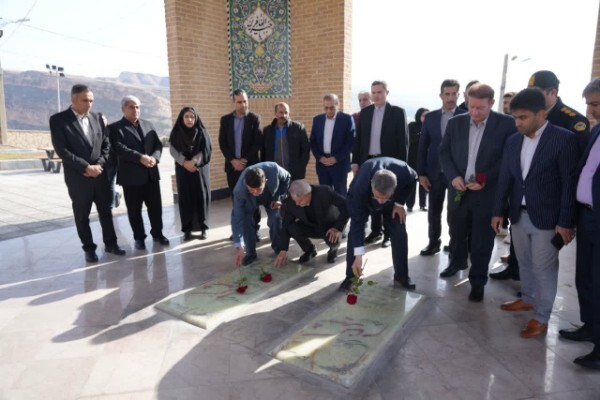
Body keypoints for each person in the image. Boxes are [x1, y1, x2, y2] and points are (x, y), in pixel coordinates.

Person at [491, 88, 578, 338]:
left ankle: (541, 318)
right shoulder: (513, 141)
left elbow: (569, 184)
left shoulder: (564, 139)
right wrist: (498, 211)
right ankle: (528, 299)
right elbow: (505, 179)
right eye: (515, 117)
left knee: (544, 269)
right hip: (518, 215)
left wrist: (565, 222)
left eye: (523, 117)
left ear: (541, 114)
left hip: (548, 219)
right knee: (525, 263)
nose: (517, 123)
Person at [439, 83, 516, 302]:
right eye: (471, 106)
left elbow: (508, 159)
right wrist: (453, 176)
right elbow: (444, 152)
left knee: (482, 240)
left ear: (491, 103)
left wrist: (485, 178)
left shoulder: (506, 125)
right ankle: (456, 263)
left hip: (487, 194)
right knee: (456, 233)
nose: (474, 112)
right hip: (458, 191)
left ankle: (477, 282)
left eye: (480, 108)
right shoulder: (455, 123)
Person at [49, 84, 126, 262]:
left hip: (100, 175)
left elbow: (106, 144)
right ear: (74, 99)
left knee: (106, 212)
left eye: (91, 100)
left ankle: (111, 244)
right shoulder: (59, 120)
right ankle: (89, 249)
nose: (89, 104)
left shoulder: (96, 118)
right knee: (82, 215)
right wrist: (85, 167)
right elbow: (62, 150)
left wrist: (99, 164)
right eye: (85, 100)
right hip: (79, 178)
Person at [558, 77, 600, 370]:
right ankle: (590, 326)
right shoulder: (596, 131)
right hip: (587, 216)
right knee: (585, 276)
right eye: (588, 104)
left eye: (595, 104)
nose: (590, 111)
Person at [341, 157, 418, 291]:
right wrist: (359, 256)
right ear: (372, 185)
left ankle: (402, 275)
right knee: (354, 235)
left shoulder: (404, 172)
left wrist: (399, 203)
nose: (380, 201)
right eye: (378, 196)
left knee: (399, 230)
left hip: (392, 204)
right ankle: (351, 277)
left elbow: (413, 178)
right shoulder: (359, 188)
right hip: (364, 200)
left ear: (394, 188)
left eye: (384, 197)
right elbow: (357, 226)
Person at [352, 80, 409, 248]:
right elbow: (358, 139)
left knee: (388, 198)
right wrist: (355, 162)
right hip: (369, 163)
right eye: (373, 92)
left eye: (379, 92)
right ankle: (375, 231)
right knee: (373, 197)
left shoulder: (397, 112)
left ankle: (388, 234)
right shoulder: (365, 112)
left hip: (389, 163)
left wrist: (401, 167)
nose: (376, 95)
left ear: (386, 93)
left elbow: (403, 143)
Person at [110, 95, 169, 250]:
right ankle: (139, 238)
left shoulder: (148, 124)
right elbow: (119, 148)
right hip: (131, 177)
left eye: (137, 107)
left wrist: (155, 158)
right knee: (134, 210)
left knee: (156, 208)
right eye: (131, 107)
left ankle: (158, 234)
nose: (135, 110)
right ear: (123, 109)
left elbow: (157, 145)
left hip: (151, 175)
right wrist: (140, 158)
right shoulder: (115, 128)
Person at [417, 79, 467, 256]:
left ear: (459, 95)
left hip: (457, 174)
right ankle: (433, 242)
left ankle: (455, 245)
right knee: (433, 211)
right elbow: (422, 146)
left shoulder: (466, 116)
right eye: (447, 94)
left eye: (454, 94)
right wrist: (421, 173)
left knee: (455, 213)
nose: (451, 98)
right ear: (441, 95)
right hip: (434, 173)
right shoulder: (430, 118)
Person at [219, 89, 262, 239]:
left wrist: (243, 161)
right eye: (239, 102)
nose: (243, 105)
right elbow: (222, 143)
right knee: (236, 199)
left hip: (250, 166)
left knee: (253, 198)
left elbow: (257, 142)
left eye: (245, 101)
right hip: (232, 167)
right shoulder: (225, 120)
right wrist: (233, 160)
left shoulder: (254, 118)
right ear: (234, 103)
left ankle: (254, 229)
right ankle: (238, 230)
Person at [274, 180, 349, 266]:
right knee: (292, 228)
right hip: (311, 226)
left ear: (308, 194)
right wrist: (283, 250)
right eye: (295, 201)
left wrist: (337, 227)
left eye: (300, 200)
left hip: (330, 227)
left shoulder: (324, 192)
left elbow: (346, 206)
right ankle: (310, 250)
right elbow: (285, 225)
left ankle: (333, 250)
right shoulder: (291, 203)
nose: (297, 204)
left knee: (333, 239)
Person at [232, 162, 291, 267]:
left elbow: (287, 178)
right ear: (246, 184)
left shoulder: (273, 169)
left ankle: (279, 248)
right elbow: (237, 217)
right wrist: (239, 245)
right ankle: (250, 253)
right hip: (249, 200)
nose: (255, 193)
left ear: (266, 181)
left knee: (276, 218)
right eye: (252, 190)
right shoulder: (239, 191)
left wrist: (279, 198)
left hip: (271, 197)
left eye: (258, 189)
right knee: (246, 221)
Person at [169, 106, 212, 241]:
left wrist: (194, 162)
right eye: (186, 117)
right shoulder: (176, 133)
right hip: (183, 170)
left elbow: (206, 150)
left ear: (196, 118)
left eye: (192, 117)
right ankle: (187, 230)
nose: (189, 119)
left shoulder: (202, 132)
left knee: (201, 197)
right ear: (182, 118)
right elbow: (173, 150)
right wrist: (184, 162)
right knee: (185, 199)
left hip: (199, 169)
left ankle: (203, 228)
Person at [528, 70, 590, 154]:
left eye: (535, 92)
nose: (530, 96)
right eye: (528, 92)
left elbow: (578, 156)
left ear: (553, 92)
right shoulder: (527, 117)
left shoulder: (574, 120)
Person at [310, 93, 355, 196]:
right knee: (324, 194)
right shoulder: (317, 120)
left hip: (339, 164)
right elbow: (313, 141)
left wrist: (336, 158)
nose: (329, 111)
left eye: (332, 108)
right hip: (322, 165)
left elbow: (350, 142)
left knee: (340, 195)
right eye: (326, 108)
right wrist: (320, 157)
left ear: (337, 105)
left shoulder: (347, 119)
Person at [261, 102, 310, 180]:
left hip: (293, 173)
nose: (283, 115)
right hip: (274, 173)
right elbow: (263, 153)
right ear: (275, 113)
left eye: (286, 112)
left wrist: (300, 167)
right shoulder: (267, 131)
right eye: (280, 112)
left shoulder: (298, 128)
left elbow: (305, 150)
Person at [406, 107, 429, 212]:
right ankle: (410, 205)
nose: (426, 118)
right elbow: (409, 139)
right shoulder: (412, 126)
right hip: (412, 158)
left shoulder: (430, 126)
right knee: (412, 182)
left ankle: (423, 204)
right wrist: (421, 134)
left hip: (425, 159)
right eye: (424, 115)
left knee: (424, 182)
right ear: (419, 115)